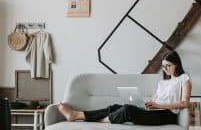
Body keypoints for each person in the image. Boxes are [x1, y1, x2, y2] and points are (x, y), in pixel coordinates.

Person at [58, 51, 192, 125]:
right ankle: (77, 115)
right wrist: (149, 103)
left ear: (176, 64)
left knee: (127, 110)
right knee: (116, 107)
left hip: (166, 116)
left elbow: (185, 103)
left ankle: (97, 120)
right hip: (155, 111)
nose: (165, 69)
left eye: (168, 65)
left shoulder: (184, 79)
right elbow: (155, 99)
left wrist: (159, 105)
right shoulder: (163, 82)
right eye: (163, 66)